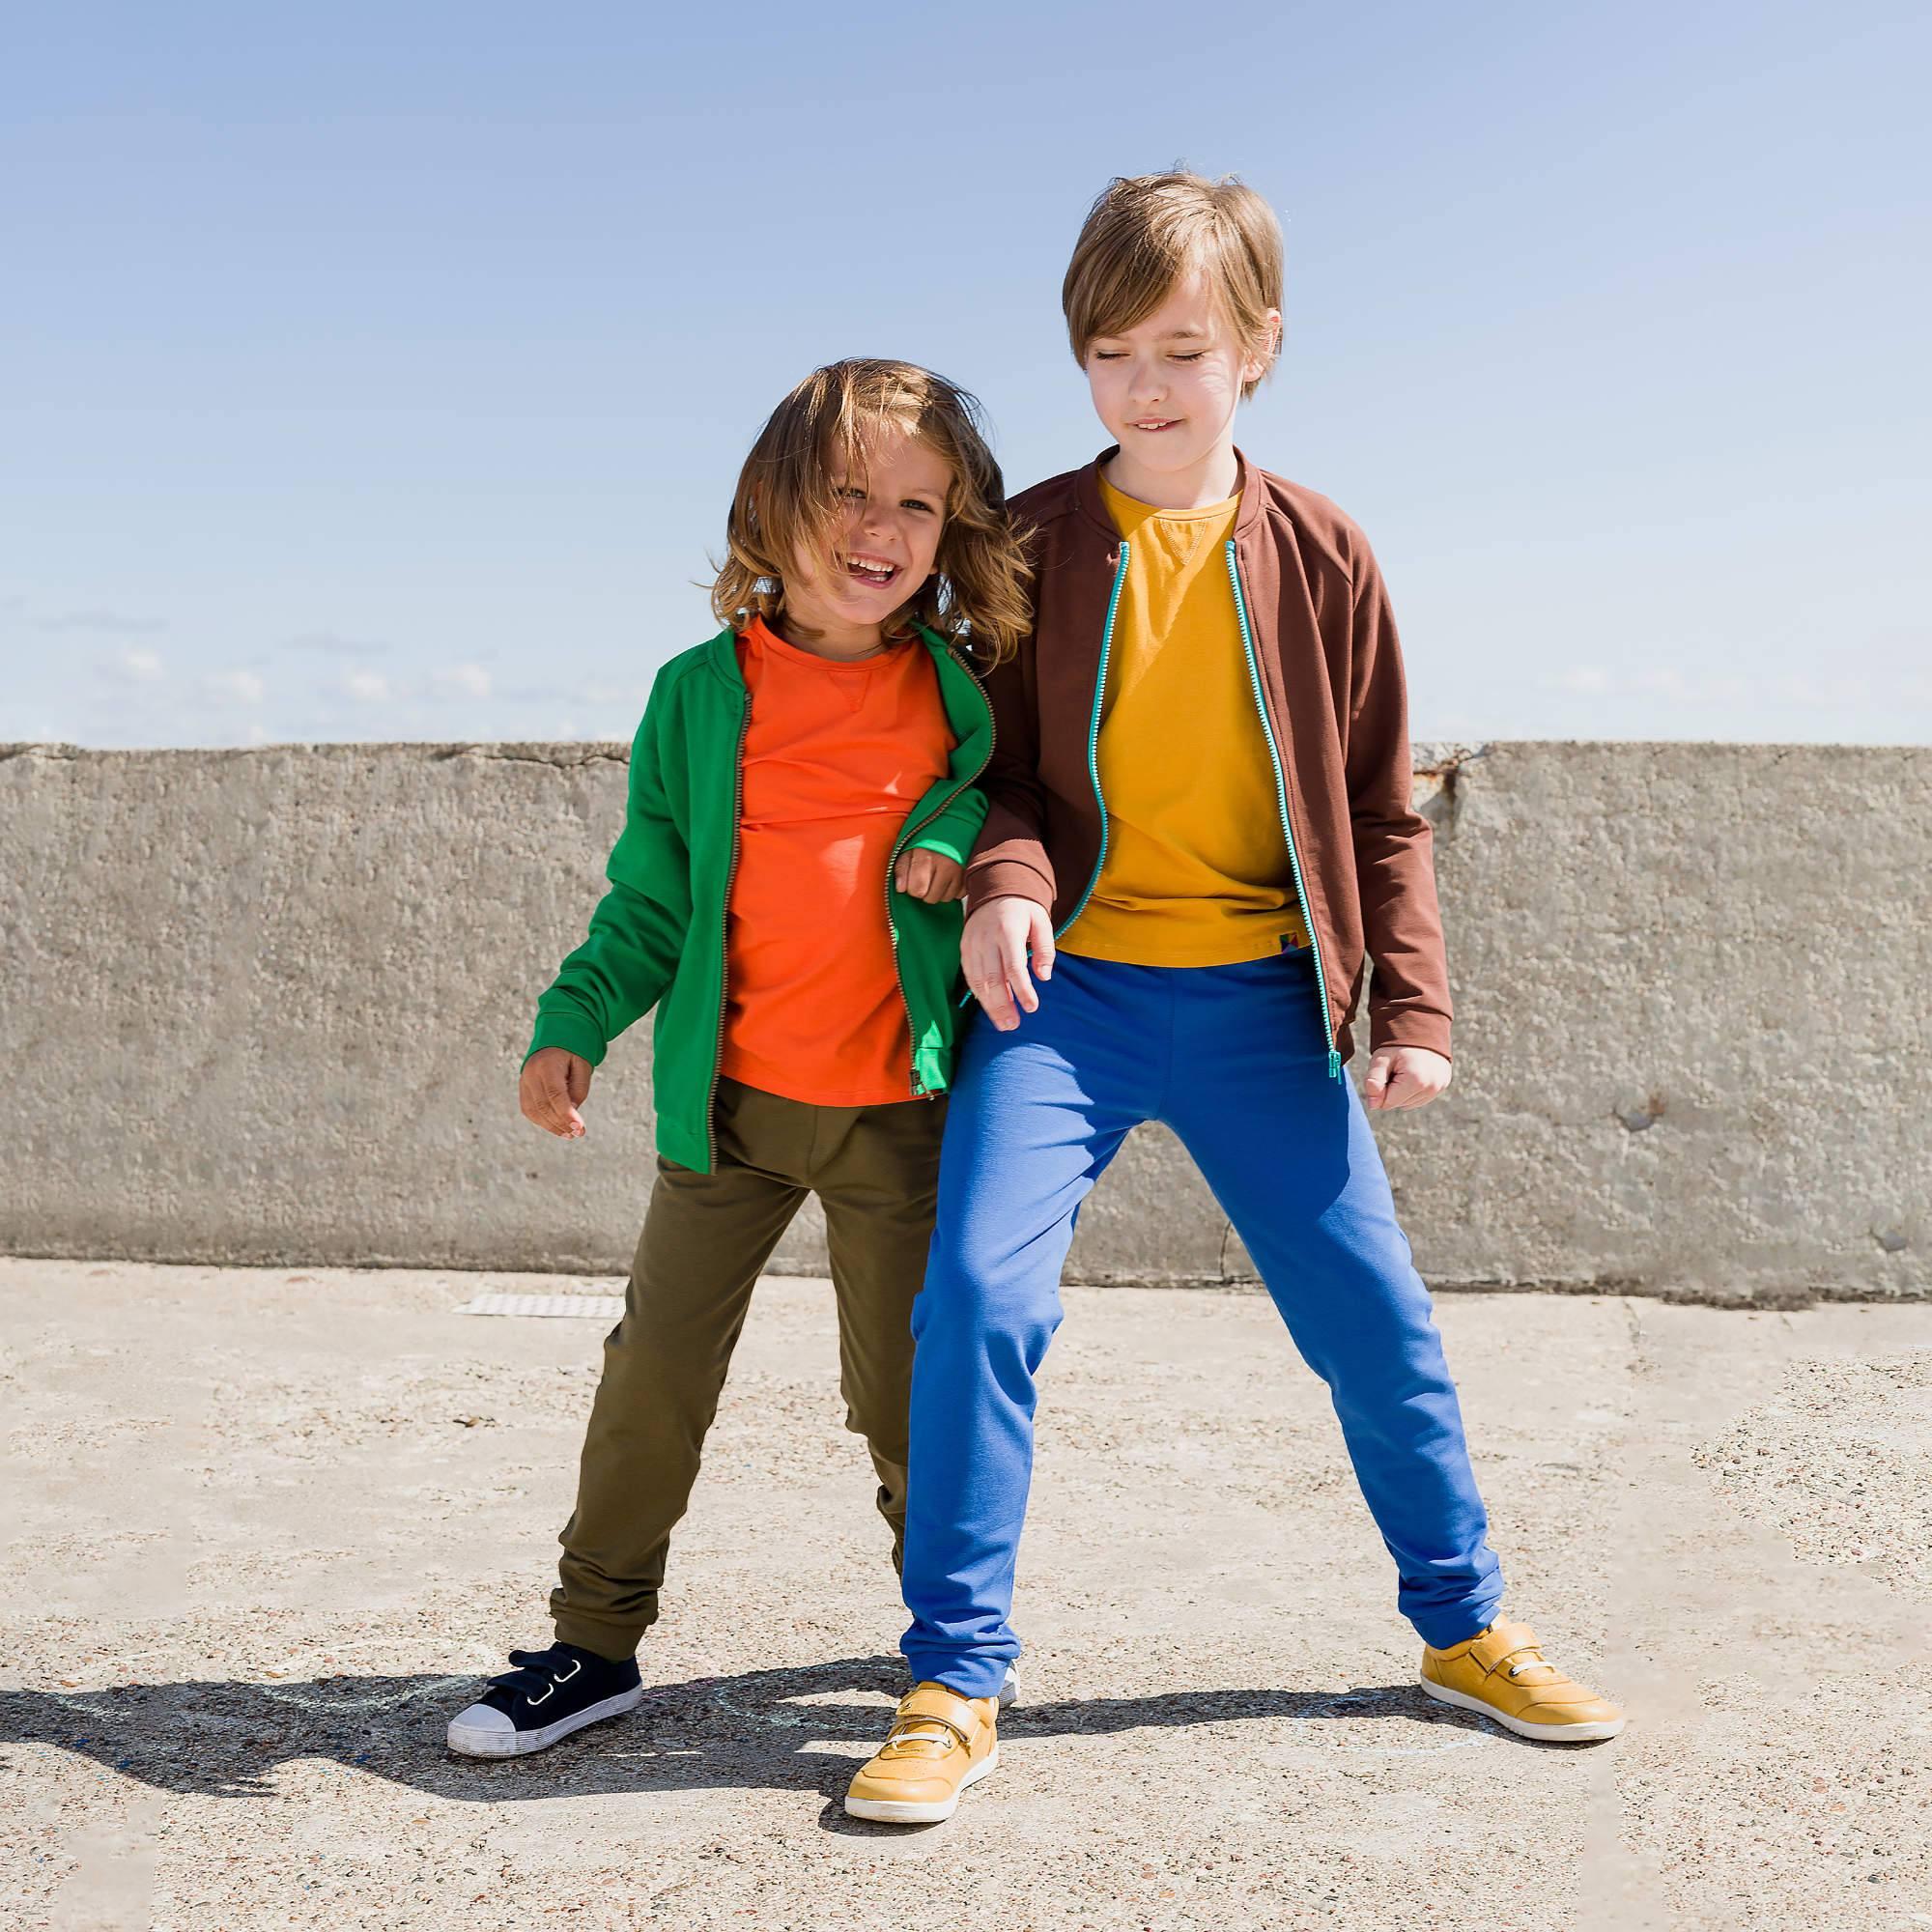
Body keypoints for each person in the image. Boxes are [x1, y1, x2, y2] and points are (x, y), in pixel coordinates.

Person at [845, 175, 1624, 1824]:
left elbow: (1379, 803)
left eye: (1183, 348)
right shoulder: (1032, 543)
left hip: (1269, 1005)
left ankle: (1467, 1625)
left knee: (1379, 1329)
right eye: (1113, 349)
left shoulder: (1325, 550)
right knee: (975, 1304)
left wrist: (1409, 1006)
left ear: (1257, 348)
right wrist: (1002, 886)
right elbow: (979, 773)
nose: (1146, 383)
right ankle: (952, 1677)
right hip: (1072, 1006)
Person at [446, 357, 1029, 1758]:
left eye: (916, 504)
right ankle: (591, 1647)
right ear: (770, 505)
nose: (877, 527)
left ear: (948, 536)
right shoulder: (697, 698)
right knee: (653, 1373)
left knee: (905, 1396)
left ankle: (949, 1651)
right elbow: (651, 901)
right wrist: (574, 1021)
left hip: (902, 1116)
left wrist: (957, 834)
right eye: (845, 491)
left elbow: (1007, 805)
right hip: (732, 1117)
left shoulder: (962, 692)